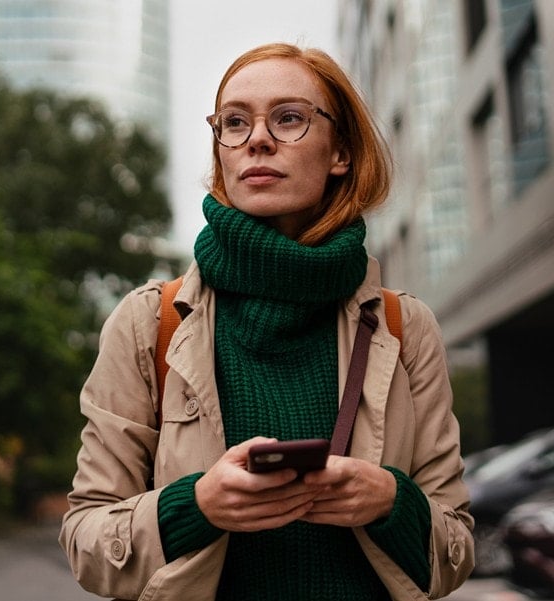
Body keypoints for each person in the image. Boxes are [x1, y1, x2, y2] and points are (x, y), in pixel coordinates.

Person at [59, 42, 474, 600]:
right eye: (234, 122)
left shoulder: (404, 326)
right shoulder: (148, 322)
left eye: (289, 118)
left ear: (341, 152)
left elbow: (456, 551)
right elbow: (86, 541)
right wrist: (197, 506)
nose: (257, 139)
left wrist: (390, 502)